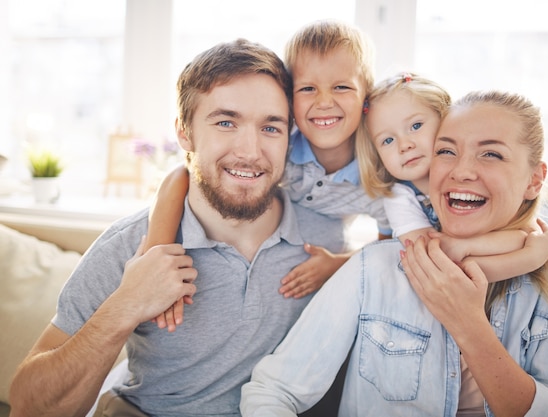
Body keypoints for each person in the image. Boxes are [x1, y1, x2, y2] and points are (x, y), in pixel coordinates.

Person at [9, 38, 346, 417]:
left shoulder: (326, 238)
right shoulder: (130, 246)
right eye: (225, 122)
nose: (250, 151)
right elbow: (28, 408)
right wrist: (126, 306)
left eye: (271, 128)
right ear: (184, 133)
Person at [240, 90, 548, 416]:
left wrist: (469, 325)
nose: (462, 171)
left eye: (491, 154)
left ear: (534, 180)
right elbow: (272, 392)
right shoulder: (375, 268)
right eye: (446, 151)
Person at [148, 19, 388, 332]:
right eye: (307, 89)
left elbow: (390, 247)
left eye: (341, 87)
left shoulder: (381, 173)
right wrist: (156, 252)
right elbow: (185, 172)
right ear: (291, 100)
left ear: (367, 97)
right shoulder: (283, 147)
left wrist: (338, 264)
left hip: (326, 242)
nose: (325, 102)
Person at [356, 72, 548, 280]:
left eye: (416, 126)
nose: (404, 145)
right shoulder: (399, 198)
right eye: (387, 140)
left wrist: (467, 247)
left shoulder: (486, 194)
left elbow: (527, 235)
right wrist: (530, 257)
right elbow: (438, 263)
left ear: (445, 123)